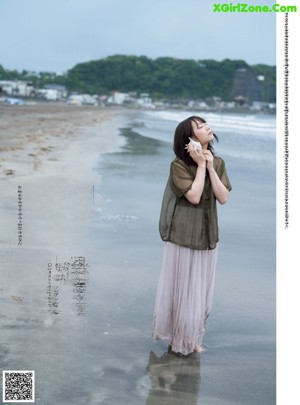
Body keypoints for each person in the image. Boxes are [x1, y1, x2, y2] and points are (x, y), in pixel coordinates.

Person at [152, 116, 232, 356]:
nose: (207, 127)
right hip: (183, 235)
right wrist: (198, 166)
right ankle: (178, 338)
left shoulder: (218, 163)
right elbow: (195, 196)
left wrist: (209, 167)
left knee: (201, 293)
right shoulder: (178, 165)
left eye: (205, 123)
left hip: (208, 235)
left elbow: (224, 197)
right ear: (188, 138)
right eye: (199, 126)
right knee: (182, 290)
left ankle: (194, 338)